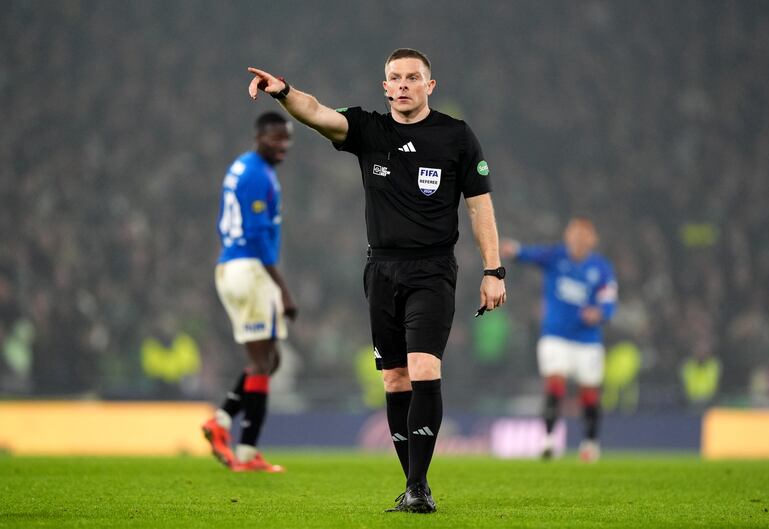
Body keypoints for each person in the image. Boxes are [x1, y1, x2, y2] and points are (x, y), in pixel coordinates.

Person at [247, 48, 506, 512]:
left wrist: (493, 269)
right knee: (393, 380)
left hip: (433, 269)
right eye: (395, 77)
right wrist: (282, 91)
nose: (403, 84)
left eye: (413, 77)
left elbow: (479, 204)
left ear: (430, 85)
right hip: (382, 270)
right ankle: (412, 485)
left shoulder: (456, 136)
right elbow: (316, 113)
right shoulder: (368, 129)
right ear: (385, 86)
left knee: (425, 367)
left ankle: (420, 487)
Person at [202, 111, 297, 473]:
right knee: (262, 361)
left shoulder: (244, 166)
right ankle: (245, 452)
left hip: (234, 265)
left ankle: (223, 421)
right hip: (249, 268)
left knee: (270, 360)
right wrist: (283, 288)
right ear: (259, 136)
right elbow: (257, 237)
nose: (283, 146)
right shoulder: (258, 175)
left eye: (286, 139)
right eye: (276, 138)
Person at [501, 217, 617, 462]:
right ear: (567, 236)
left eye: (584, 235)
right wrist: (514, 250)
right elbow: (529, 254)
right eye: (574, 234)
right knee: (555, 384)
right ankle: (549, 440)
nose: (578, 239)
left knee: (589, 394)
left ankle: (590, 443)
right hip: (555, 336)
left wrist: (600, 313)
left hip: (588, 340)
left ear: (592, 240)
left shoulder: (602, 268)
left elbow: (609, 301)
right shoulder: (555, 256)